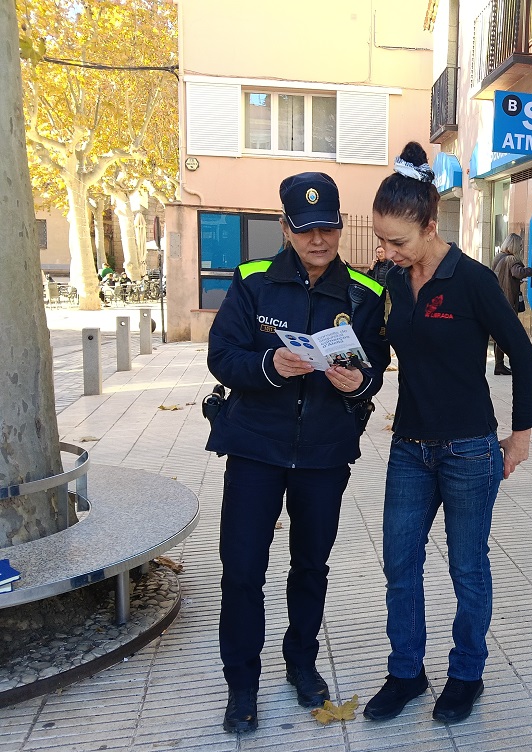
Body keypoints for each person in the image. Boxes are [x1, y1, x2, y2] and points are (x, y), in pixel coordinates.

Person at [205, 171, 390, 734]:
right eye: (306, 229)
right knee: (241, 571)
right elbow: (222, 356)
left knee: (310, 568)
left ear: (339, 227)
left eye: (328, 228)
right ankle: (241, 684)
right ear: (286, 228)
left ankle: (301, 663)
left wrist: (354, 383)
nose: (319, 240)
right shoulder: (252, 281)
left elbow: (375, 370)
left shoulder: (366, 292)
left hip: (324, 456)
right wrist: (268, 367)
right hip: (256, 450)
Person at [362, 142, 532, 725]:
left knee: (468, 568)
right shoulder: (390, 281)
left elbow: (522, 354)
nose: (386, 252)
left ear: (431, 226)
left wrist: (520, 435)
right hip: (409, 447)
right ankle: (406, 672)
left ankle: (466, 674)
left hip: (468, 449)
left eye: (398, 241)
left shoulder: (472, 281)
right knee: (399, 565)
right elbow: (377, 350)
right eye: (381, 240)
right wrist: (349, 370)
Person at [490, 233, 532, 375]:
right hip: (508, 301)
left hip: (497, 299)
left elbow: (503, 276)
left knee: (499, 334)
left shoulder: (498, 257)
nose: (521, 248)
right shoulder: (512, 259)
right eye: (520, 245)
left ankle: (499, 365)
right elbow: (518, 273)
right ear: (514, 245)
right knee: (508, 334)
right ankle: (512, 363)